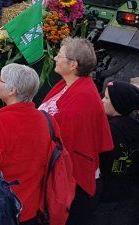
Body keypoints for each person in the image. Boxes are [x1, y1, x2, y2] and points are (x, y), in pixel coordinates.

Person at [38, 37, 114, 223]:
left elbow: (69, 145)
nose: (55, 58)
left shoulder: (82, 99)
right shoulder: (66, 85)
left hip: (72, 182)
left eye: (60, 55)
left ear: (73, 64)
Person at [0, 63, 52, 225]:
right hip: (33, 207)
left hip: (5, 208)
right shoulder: (46, 119)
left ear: (12, 90)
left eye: (0, 79)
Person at [90, 81, 139, 225]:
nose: (102, 101)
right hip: (126, 193)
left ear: (117, 104)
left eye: (106, 98)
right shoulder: (138, 127)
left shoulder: (108, 130)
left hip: (104, 194)